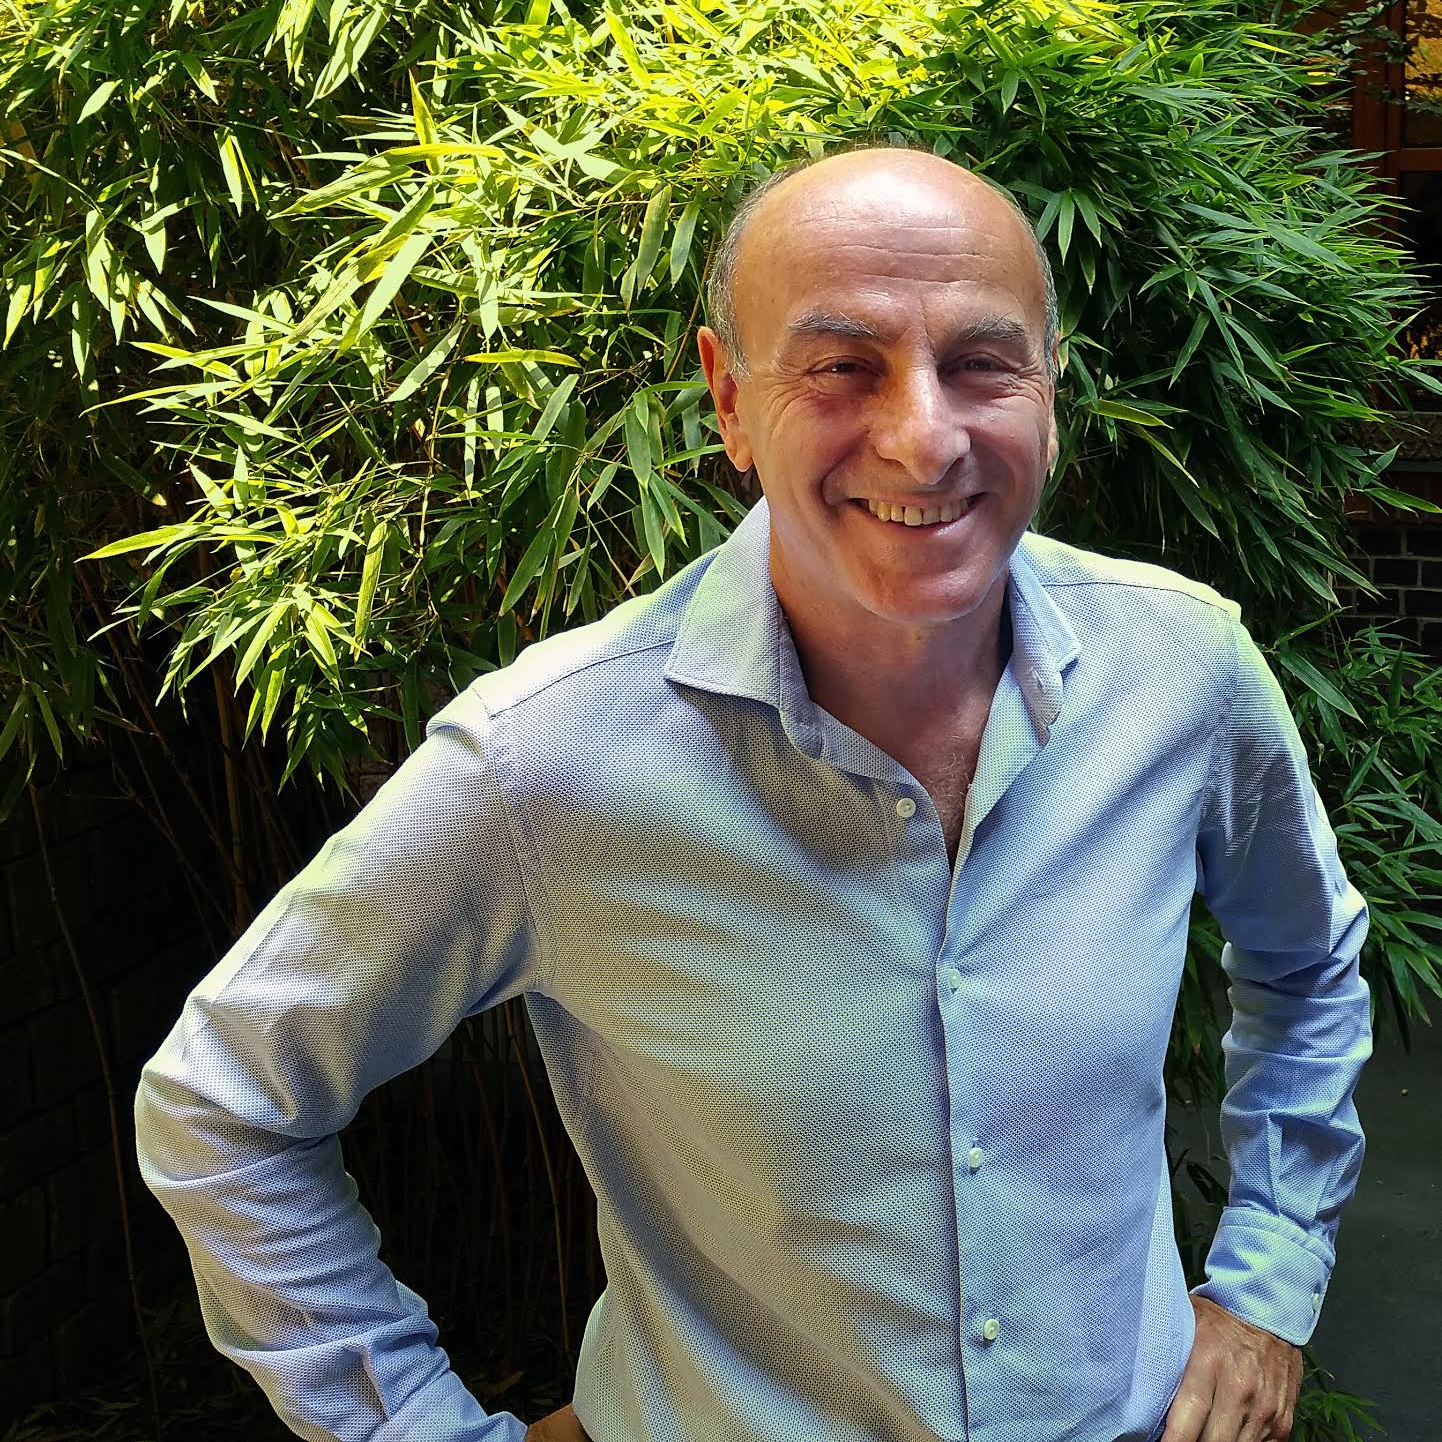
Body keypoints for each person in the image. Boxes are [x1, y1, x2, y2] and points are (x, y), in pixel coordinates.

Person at [134, 146, 1373, 1442]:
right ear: (729, 399)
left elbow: (1307, 963)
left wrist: (1267, 1281)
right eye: (840, 366)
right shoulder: (547, 759)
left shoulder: (1178, 668)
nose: (923, 436)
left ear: (1049, 389)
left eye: (981, 362)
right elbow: (224, 1103)